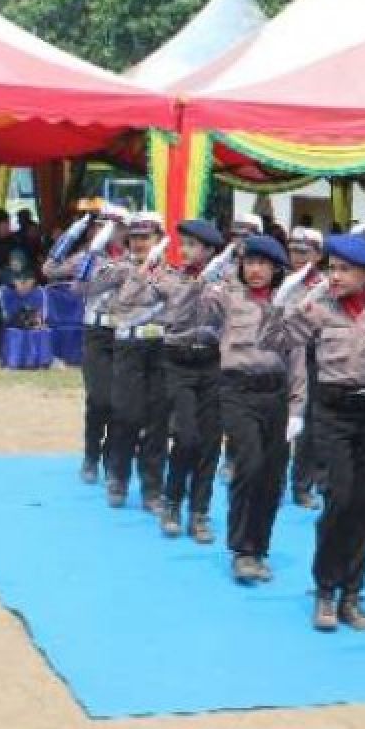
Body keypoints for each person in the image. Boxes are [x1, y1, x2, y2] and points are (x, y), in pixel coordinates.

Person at [260, 233, 365, 631]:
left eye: (345, 270)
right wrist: (283, 305)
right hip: (332, 412)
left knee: (364, 506)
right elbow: (272, 341)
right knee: (338, 501)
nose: (334, 276)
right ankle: (326, 589)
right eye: (332, 268)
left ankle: (353, 595)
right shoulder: (318, 308)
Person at [199, 234, 305, 584]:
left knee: (273, 475)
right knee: (249, 463)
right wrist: (203, 281)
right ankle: (242, 550)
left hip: (275, 394)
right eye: (249, 263)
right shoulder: (227, 297)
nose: (255, 270)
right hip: (236, 389)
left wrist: (297, 409)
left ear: (277, 269)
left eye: (263, 264)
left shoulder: (289, 303)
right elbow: (190, 314)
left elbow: (298, 360)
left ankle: (260, 547)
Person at [147, 220, 228, 542]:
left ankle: (199, 512)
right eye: (185, 244)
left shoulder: (229, 283)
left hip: (212, 363)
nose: (186, 251)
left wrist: (217, 291)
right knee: (187, 436)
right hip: (177, 362)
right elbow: (166, 314)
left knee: (210, 441)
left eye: (194, 246)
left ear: (210, 251)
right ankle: (171, 502)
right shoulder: (170, 278)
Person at [86, 211, 170, 511]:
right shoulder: (118, 269)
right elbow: (92, 290)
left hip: (161, 348)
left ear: (159, 239)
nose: (139, 243)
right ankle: (118, 477)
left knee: (159, 421)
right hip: (128, 346)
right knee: (127, 415)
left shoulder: (172, 272)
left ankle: (152, 488)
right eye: (134, 237)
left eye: (145, 237)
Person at [46, 205, 129, 483]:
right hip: (95, 331)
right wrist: (72, 235)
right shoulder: (88, 257)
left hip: (124, 334)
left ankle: (111, 456)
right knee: (98, 399)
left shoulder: (135, 259)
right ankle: (91, 455)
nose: (107, 232)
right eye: (101, 226)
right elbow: (50, 269)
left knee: (121, 402)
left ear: (125, 231)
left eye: (115, 227)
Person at [285, 226, 326, 508]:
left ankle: (303, 484)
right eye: (294, 251)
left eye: (305, 252)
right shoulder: (279, 280)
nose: (298, 257)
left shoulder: (326, 285)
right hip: (280, 356)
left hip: (313, 357)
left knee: (310, 424)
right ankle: (271, 481)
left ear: (318, 255)